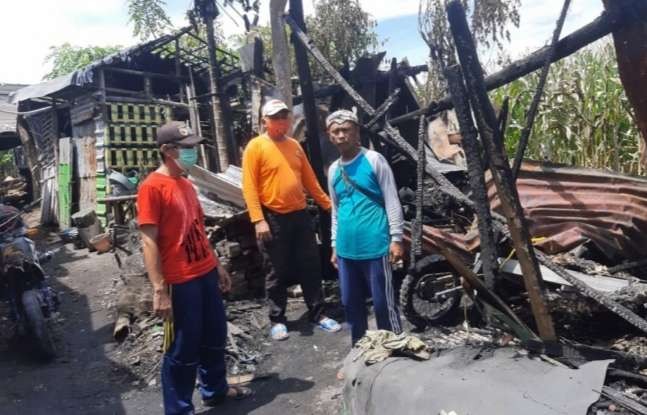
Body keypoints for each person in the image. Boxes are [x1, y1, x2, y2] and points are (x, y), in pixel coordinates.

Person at [137, 121, 251, 415]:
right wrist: (159, 289)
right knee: (182, 348)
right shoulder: (152, 187)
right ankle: (178, 409)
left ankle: (215, 391)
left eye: (193, 147)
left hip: (203, 273)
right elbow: (148, 241)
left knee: (214, 335)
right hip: (179, 281)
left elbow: (197, 229)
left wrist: (217, 265)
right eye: (186, 148)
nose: (192, 153)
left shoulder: (186, 184)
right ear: (167, 150)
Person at [242, 99, 341, 341]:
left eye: (284, 116)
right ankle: (277, 319)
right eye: (275, 117)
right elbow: (249, 187)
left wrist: (330, 206)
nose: (281, 121)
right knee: (275, 270)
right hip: (272, 217)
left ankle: (318, 313)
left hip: (299, 215)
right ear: (264, 121)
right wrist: (258, 220)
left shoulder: (295, 146)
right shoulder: (255, 147)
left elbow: (310, 182)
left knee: (310, 265)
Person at [326, 109, 404, 345]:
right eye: (336, 131)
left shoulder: (373, 160)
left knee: (383, 304)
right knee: (351, 304)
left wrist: (396, 238)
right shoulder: (333, 170)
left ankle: (395, 347)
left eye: (346, 130)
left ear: (356, 132)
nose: (341, 135)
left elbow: (391, 199)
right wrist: (333, 245)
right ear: (330, 136)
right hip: (346, 249)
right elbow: (336, 211)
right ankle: (360, 350)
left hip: (376, 244)